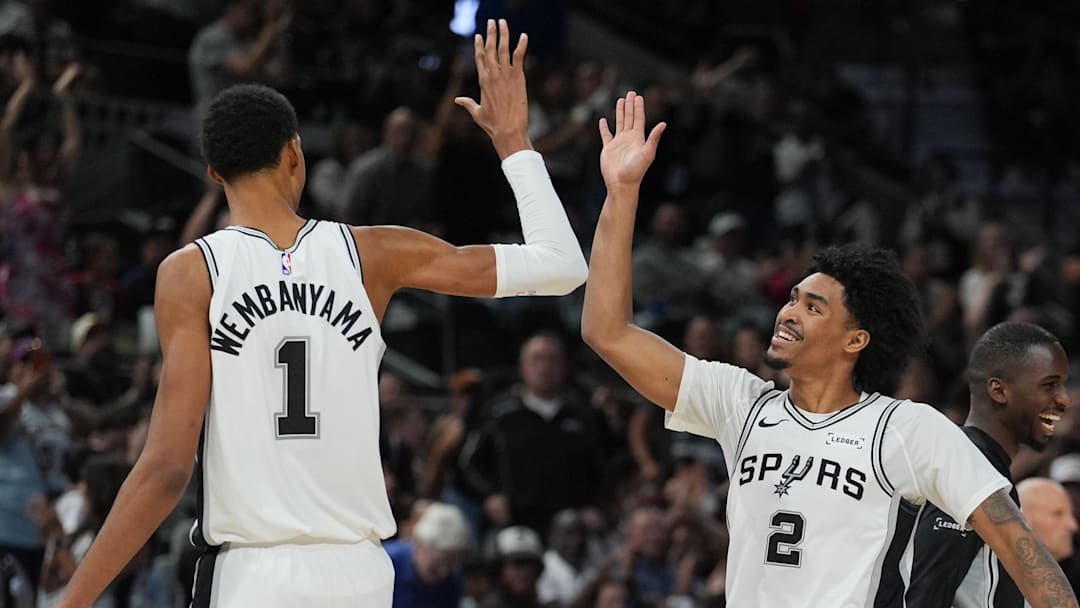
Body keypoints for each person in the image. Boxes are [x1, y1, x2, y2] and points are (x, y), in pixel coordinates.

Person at [58, 19, 587, 608]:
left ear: (214, 173)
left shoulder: (191, 272)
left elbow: (164, 470)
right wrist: (514, 141)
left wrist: (70, 601)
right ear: (295, 152)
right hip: (359, 575)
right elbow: (562, 265)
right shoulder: (373, 253)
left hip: (254, 575)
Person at [580, 90, 1077, 607]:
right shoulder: (741, 404)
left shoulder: (906, 428)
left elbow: (1017, 542)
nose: (788, 312)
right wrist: (622, 194)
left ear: (856, 339)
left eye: (813, 307)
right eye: (792, 299)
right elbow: (607, 332)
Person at [906, 322, 1071, 607]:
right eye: (1049, 385)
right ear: (999, 391)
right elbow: (921, 595)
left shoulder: (979, 464)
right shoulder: (966, 468)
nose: (1064, 399)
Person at [385, 502, 472, 608]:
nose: (444, 572)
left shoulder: (452, 580)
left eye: (451, 564)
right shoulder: (387, 563)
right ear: (419, 544)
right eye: (437, 563)